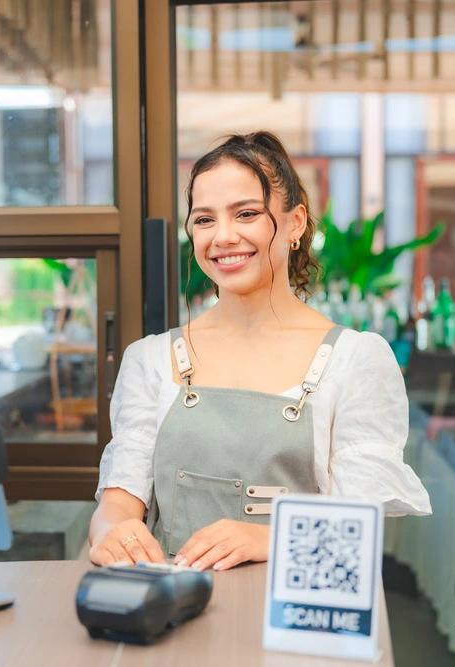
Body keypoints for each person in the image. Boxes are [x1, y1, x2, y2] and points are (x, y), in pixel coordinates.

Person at [89, 131, 431, 572]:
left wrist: (267, 537)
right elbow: (118, 503)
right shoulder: (151, 359)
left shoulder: (356, 359)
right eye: (204, 220)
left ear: (295, 223)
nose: (223, 236)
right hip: (172, 611)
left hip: (297, 615)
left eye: (246, 214)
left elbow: (358, 528)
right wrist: (112, 533)